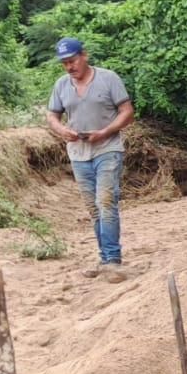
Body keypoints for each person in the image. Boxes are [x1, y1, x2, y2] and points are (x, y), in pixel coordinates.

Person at [47, 37, 134, 282]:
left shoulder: (108, 78)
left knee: (106, 202)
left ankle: (113, 260)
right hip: (78, 153)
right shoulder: (62, 85)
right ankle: (105, 258)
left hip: (107, 148)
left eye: (72, 61)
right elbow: (52, 115)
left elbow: (127, 111)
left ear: (83, 55)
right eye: (64, 63)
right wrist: (61, 129)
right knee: (93, 208)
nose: (69, 67)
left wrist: (105, 132)